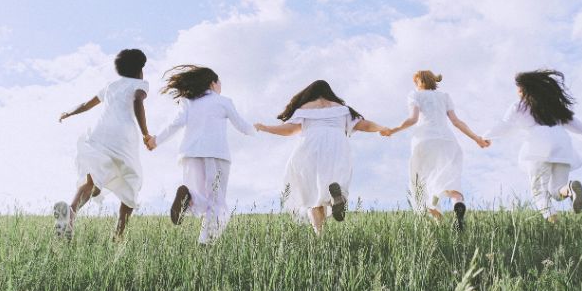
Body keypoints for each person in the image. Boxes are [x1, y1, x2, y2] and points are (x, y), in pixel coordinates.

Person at [254, 80, 388, 235]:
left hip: (311, 146)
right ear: (329, 93)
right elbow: (363, 125)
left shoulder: (305, 108)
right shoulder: (342, 109)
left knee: (312, 195)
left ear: (309, 94)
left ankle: (320, 235)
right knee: (336, 178)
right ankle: (339, 197)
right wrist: (381, 128)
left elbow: (289, 130)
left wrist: (265, 128)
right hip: (337, 145)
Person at [483, 69, 582, 222]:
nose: (517, 91)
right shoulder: (555, 107)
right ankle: (570, 189)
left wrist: (485, 136)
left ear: (526, 89)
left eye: (519, 87)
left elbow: (506, 125)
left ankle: (554, 226)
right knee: (557, 192)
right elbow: (578, 125)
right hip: (562, 146)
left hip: (539, 146)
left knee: (539, 191)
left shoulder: (519, 106)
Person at [146, 65, 255, 244]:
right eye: (219, 82)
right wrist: (258, 130)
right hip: (216, 154)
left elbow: (175, 124)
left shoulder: (189, 101)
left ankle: (188, 194)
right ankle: (206, 244)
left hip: (189, 154)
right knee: (217, 202)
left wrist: (155, 141)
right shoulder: (224, 101)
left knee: (200, 198)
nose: (221, 85)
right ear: (212, 83)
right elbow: (243, 126)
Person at [55, 49, 152, 240]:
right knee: (132, 181)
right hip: (123, 137)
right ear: (140, 70)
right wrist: (146, 133)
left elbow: (86, 104)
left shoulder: (111, 86)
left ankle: (71, 212)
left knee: (93, 180)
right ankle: (118, 234)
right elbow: (138, 101)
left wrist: (69, 113)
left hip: (100, 134)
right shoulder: (140, 84)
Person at [380, 70, 489, 230]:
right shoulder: (444, 96)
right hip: (447, 140)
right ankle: (457, 203)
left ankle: (435, 213)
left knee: (422, 181)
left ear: (419, 82)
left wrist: (392, 130)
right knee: (450, 179)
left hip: (424, 140)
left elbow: (413, 119)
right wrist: (477, 138)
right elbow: (456, 122)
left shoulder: (415, 95)